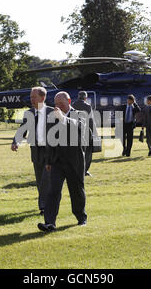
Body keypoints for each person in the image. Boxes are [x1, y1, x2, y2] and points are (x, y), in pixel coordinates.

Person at [38, 92, 87, 232]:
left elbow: (81, 129)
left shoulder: (79, 114)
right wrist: (48, 160)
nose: (58, 106)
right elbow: (50, 140)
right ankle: (49, 223)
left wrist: (63, 118)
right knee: (53, 191)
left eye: (61, 103)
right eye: (56, 104)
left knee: (76, 190)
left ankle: (81, 218)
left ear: (69, 100)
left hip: (74, 161)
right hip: (57, 161)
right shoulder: (52, 117)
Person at [12, 87, 53, 215]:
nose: (31, 100)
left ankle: (45, 207)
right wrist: (15, 142)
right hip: (36, 151)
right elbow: (22, 130)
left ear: (43, 98)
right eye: (31, 97)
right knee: (40, 180)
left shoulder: (52, 112)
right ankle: (44, 206)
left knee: (47, 180)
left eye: (34, 97)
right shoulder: (28, 113)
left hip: (50, 152)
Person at [72, 91, 98, 177]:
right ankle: (85, 170)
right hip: (86, 132)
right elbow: (91, 120)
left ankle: (76, 169)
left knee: (76, 152)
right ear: (85, 98)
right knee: (87, 153)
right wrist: (94, 133)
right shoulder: (87, 106)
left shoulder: (73, 105)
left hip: (74, 131)